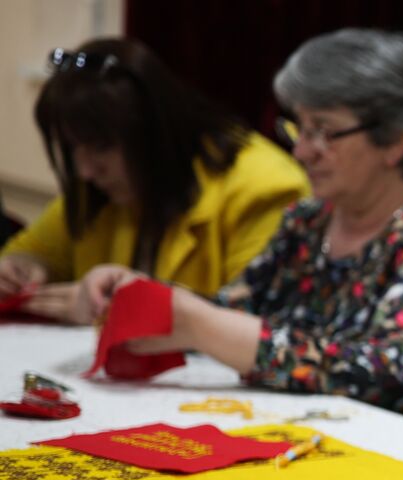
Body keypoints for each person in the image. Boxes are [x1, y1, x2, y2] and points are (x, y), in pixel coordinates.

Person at [73, 29, 403, 428]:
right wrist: (146, 295)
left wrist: (198, 323)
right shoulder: (310, 219)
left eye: (324, 132)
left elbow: (388, 378)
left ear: (396, 140)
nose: (301, 151)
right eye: (298, 127)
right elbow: (234, 311)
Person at [2, 38, 307, 310]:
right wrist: (22, 269)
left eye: (101, 147)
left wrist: (114, 311)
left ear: (153, 134)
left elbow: (259, 326)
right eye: (71, 149)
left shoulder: (264, 188)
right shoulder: (98, 187)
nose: (85, 171)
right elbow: (37, 250)